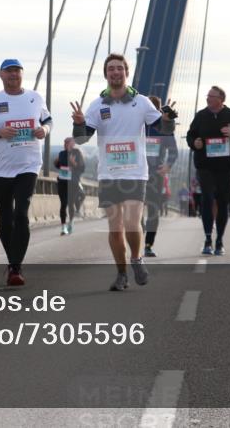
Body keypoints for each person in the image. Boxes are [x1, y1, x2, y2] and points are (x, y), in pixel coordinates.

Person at [71, 53, 176, 291]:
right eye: (111, 69)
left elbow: (163, 129)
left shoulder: (141, 102)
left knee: (131, 222)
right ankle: (121, 274)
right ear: (106, 74)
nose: (115, 72)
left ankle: (136, 259)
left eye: (120, 68)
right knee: (115, 227)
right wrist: (78, 122)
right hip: (108, 173)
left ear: (126, 73)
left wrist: (168, 119)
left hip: (135, 172)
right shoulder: (97, 105)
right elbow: (81, 137)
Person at [0, 59, 51, 286]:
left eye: (17, 71)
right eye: (9, 72)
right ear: (1, 75)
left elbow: (49, 120)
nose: (13, 75)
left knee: (21, 214)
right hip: (1, 169)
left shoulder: (35, 98)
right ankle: (12, 261)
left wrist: (44, 129)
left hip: (28, 165)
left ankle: (15, 267)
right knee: (6, 218)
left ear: (22, 75)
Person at [187, 85, 230, 256]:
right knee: (207, 200)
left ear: (221, 99)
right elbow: (190, 136)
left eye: (211, 96)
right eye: (207, 95)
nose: (207, 98)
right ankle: (208, 238)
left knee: (223, 203)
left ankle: (219, 240)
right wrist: (195, 143)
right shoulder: (200, 116)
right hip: (204, 167)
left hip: (224, 168)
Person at [143, 95, 179, 258]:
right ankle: (138, 229)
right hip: (136, 173)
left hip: (155, 175)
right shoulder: (137, 125)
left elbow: (174, 151)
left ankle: (148, 245)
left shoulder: (162, 128)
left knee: (153, 210)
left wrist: (167, 166)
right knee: (133, 209)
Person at [55, 138, 83, 235]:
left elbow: (82, 168)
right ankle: (63, 227)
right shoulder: (62, 153)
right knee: (63, 204)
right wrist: (57, 162)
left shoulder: (77, 153)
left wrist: (73, 163)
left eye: (68, 142)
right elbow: (59, 166)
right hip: (62, 181)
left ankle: (70, 223)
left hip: (73, 182)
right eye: (65, 142)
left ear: (73, 143)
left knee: (70, 203)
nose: (66, 144)